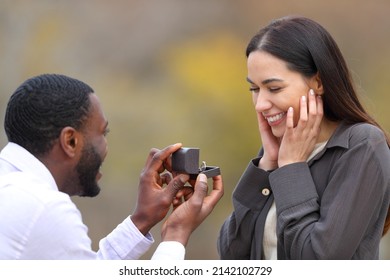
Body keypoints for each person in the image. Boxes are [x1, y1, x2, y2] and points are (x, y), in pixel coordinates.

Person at [218, 16, 390, 259]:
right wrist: (267, 164)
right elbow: (231, 255)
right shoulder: (277, 152)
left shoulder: (362, 145)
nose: (261, 104)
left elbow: (318, 261)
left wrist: (291, 168)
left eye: (274, 88)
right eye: (254, 90)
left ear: (318, 82)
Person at [0, 73, 224, 260]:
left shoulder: (14, 191)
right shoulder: (44, 209)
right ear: (70, 141)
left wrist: (142, 220)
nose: (106, 147)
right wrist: (176, 233)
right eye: (102, 133)